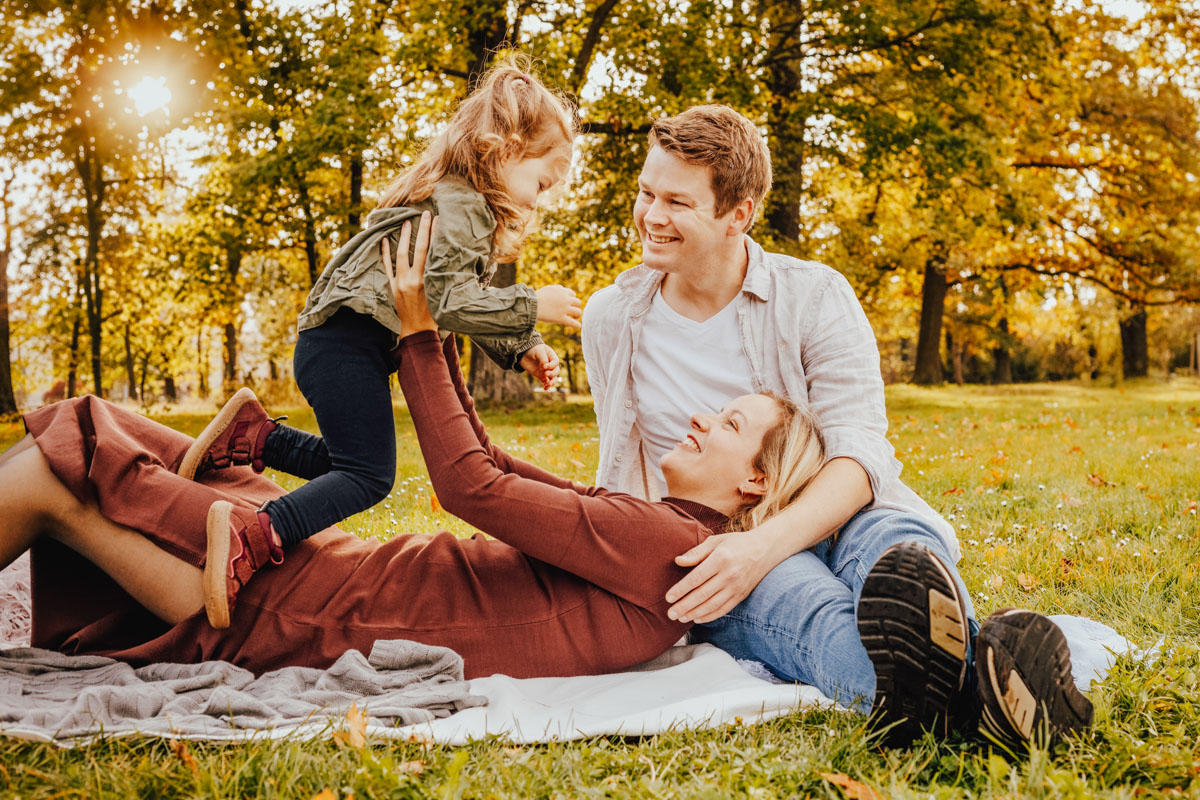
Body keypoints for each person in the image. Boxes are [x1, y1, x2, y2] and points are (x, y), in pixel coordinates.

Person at [0, 214, 824, 684]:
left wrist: (419, 334)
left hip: (312, 608)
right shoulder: (659, 533)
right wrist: (431, 334)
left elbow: (469, 487)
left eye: (729, 425)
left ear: (756, 481)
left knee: (62, 457)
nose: (701, 420)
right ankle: (243, 451)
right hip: (334, 577)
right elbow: (494, 464)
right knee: (119, 443)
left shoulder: (665, 545)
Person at [581, 104, 1092, 749]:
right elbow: (623, 469)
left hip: (838, 510)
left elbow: (859, 450)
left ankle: (963, 697)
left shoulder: (813, 296)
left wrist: (766, 544)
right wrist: (739, 553)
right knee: (811, 612)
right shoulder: (613, 318)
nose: (652, 216)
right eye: (647, 193)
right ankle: (996, 696)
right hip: (719, 538)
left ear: (739, 214)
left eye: (677, 202)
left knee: (900, 551)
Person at [177, 58, 586, 629]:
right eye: (541, 183)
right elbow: (449, 302)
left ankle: (257, 436)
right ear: (506, 149)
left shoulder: (457, 200)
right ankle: (257, 533)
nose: (538, 201)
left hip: (338, 343)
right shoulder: (464, 204)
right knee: (368, 476)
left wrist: (520, 345)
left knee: (355, 464)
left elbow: (458, 298)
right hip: (345, 343)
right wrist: (533, 304)